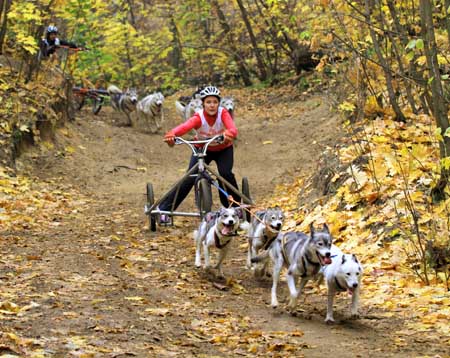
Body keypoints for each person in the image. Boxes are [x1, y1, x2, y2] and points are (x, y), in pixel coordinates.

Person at [159, 85, 240, 223]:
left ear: (218, 103)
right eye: (208, 102)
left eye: (215, 102)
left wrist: (229, 133)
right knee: (190, 176)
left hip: (223, 149)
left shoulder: (223, 113)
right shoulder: (199, 117)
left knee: (225, 174)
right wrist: (172, 134)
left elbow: (232, 128)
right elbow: (185, 127)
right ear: (203, 103)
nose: (212, 105)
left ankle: (235, 208)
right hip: (202, 149)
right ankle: (165, 210)